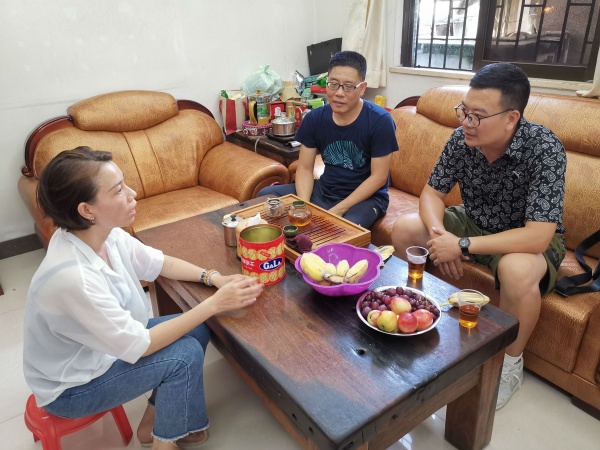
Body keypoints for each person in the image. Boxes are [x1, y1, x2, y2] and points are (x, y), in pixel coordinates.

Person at [23, 147, 263, 450]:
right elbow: (142, 345)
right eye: (118, 190)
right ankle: (166, 442)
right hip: (72, 389)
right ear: (86, 210)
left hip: (103, 348)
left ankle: (154, 423)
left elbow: (160, 263)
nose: (132, 193)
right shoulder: (73, 278)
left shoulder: (102, 233)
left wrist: (214, 278)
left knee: (197, 328)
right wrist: (214, 303)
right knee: (184, 354)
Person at [391, 63, 567, 409]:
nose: (466, 122)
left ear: (511, 118)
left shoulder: (544, 148)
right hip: (472, 220)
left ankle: (510, 362)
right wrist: (441, 236)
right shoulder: (462, 139)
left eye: (477, 116)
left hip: (521, 236)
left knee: (517, 271)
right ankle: (417, 314)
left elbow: (537, 236)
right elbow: (431, 194)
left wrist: (460, 245)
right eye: (464, 111)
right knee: (406, 228)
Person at [257, 51, 399, 229]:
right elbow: (305, 168)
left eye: (348, 86)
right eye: (333, 84)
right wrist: (303, 206)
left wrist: (337, 210)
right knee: (266, 196)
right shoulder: (314, 119)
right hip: (325, 190)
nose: (339, 93)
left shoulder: (380, 121)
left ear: (362, 88)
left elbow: (378, 177)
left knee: (344, 228)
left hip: (366, 199)